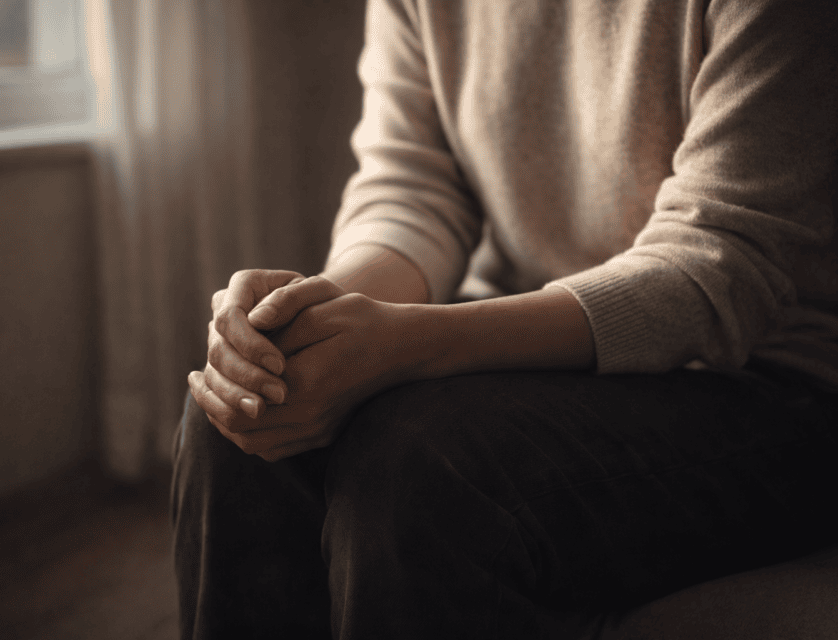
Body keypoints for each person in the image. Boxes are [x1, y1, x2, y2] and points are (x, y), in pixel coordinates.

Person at [171, 0, 838, 637]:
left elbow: (722, 262)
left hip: (768, 383)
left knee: (423, 458)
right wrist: (321, 316)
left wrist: (413, 343)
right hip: (533, 355)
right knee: (247, 409)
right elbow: (416, 183)